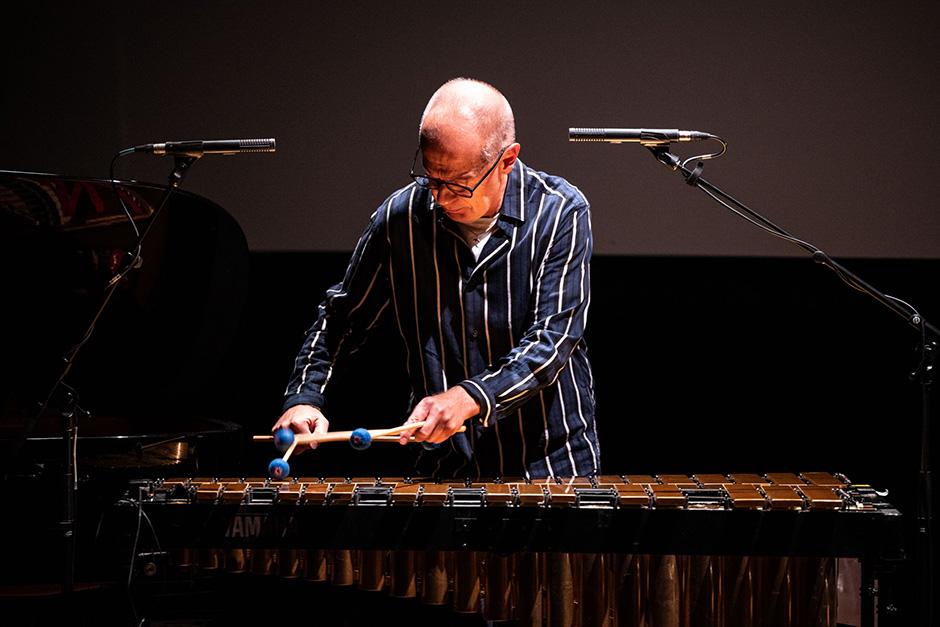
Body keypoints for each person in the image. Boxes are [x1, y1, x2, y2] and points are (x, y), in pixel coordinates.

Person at [273, 77, 600, 479]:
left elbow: (554, 338)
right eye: (431, 178)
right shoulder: (400, 220)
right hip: (447, 467)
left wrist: (471, 396)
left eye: (459, 184)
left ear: (507, 160)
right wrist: (305, 397)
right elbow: (341, 319)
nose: (441, 198)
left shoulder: (560, 211)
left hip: (549, 463)